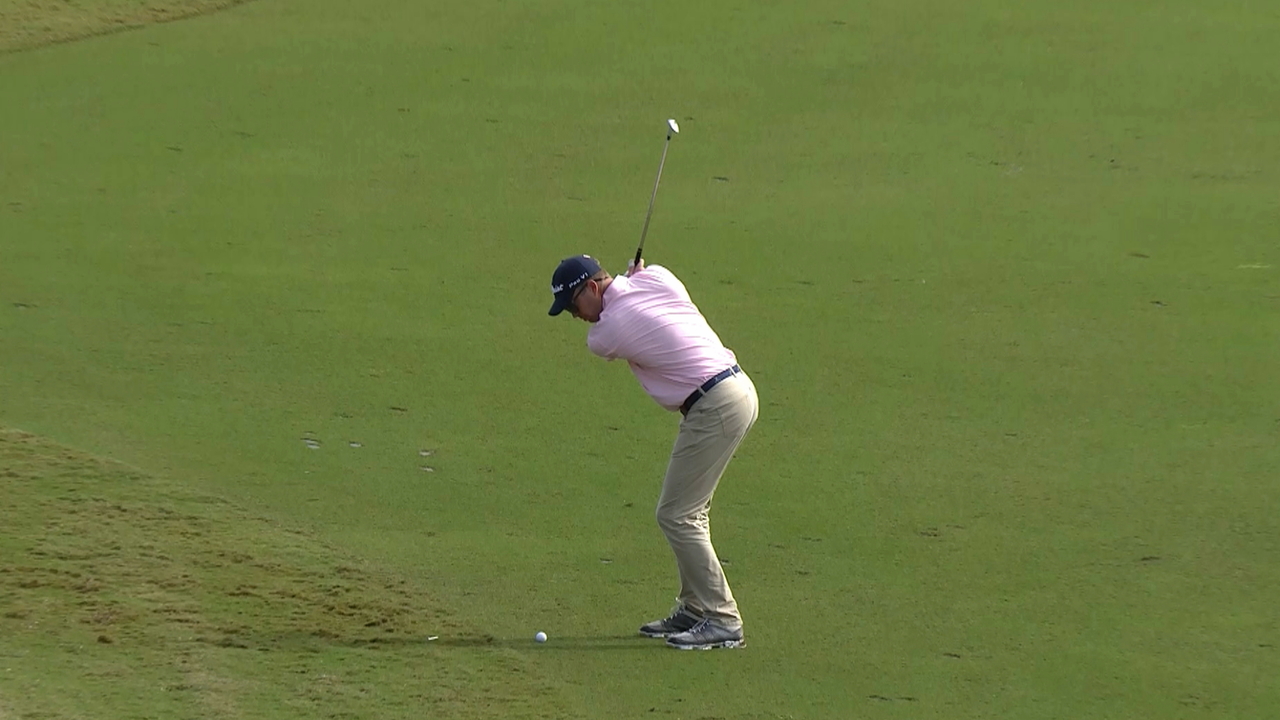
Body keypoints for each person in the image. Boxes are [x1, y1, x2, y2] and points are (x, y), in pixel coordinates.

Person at [547, 253, 759, 650]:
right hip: (734, 391)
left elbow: (610, 328)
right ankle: (695, 608)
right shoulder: (658, 277)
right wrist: (636, 279)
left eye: (574, 306)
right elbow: (650, 286)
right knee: (689, 513)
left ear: (592, 287)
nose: (576, 317)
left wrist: (629, 286)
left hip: (714, 405)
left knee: (676, 515)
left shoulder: (607, 333)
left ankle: (723, 619)